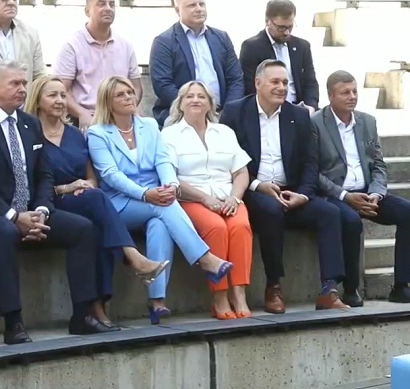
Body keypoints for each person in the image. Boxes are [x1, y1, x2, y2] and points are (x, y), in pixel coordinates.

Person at [24, 75, 168, 328]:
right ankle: (132, 258)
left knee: (96, 225)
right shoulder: (30, 136)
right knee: (96, 209)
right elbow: (31, 185)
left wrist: (85, 185)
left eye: (63, 95)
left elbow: (92, 177)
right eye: (52, 95)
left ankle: (99, 305)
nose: (60, 100)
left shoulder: (76, 134)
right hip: (51, 202)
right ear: (37, 100)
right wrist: (68, 188)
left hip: (84, 199)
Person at [88, 76, 233, 324]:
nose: (128, 97)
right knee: (164, 208)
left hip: (154, 197)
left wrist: (171, 186)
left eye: (130, 92)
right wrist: (145, 194)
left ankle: (157, 302)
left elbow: (163, 160)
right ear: (107, 102)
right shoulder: (98, 133)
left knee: (160, 223)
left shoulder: (149, 125)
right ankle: (205, 259)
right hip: (119, 203)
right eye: (120, 95)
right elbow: (111, 175)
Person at [221, 60, 351, 313]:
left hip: (291, 191)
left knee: (330, 213)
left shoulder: (299, 116)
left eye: (285, 82)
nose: (281, 87)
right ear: (258, 83)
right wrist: (258, 185)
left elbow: (311, 162)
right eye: (275, 82)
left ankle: (329, 289)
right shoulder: (235, 112)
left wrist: (303, 194)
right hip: (253, 190)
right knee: (271, 211)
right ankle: (273, 286)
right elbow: (227, 160)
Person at [0, 60, 103, 343]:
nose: (22, 89)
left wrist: (42, 211)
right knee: (4, 233)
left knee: (82, 229)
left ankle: (82, 315)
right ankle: (13, 322)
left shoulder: (29, 124)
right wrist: (14, 216)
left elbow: (44, 175)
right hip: (4, 214)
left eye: (24, 83)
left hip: (33, 211)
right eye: (15, 83)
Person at [314, 71, 410, 306]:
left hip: (367, 192)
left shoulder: (367, 122)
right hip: (336, 195)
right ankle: (350, 289)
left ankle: (402, 286)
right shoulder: (316, 123)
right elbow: (313, 173)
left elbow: (378, 164)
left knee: (409, 212)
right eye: (345, 92)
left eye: (355, 91)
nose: (352, 96)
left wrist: (376, 194)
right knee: (351, 221)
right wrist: (346, 196)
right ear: (330, 95)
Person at [162, 80, 253, 319]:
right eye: (189, 96)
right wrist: (204, 199)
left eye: (201, 96)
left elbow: (241, 171)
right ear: (180, 104)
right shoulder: (169, 135)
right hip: (192, 198)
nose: (196, 100)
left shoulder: (225, 132)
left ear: (210, 104)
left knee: (240, 227)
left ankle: (239, 294)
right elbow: (171, 177)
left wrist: (235, 197)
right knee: (216, 228)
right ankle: (219, 296)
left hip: (228, 197)